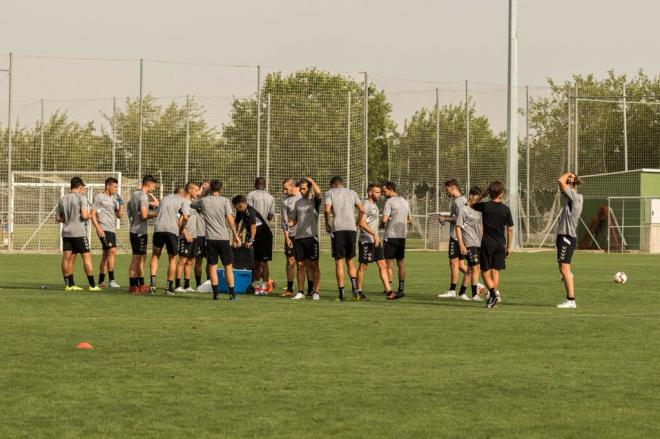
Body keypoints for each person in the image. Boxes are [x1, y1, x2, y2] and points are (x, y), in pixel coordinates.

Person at [191, 179, 241, 300]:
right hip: (223, 238)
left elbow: (192, 204)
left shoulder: (203, 201)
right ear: (221, 189)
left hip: (210, 239)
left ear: (210, 189)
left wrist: (203, 192)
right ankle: (232, 294)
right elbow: (230, 219)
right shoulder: (225, 201)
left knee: (212, 266)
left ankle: (216, 294)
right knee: (228, 266)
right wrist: (236, 235)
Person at [472, 181, 514, 309]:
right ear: (501, 193)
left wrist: (483, 195)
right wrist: (509, 247)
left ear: (490, 193)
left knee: (485, 271)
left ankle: (492, 294)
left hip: (487, 243)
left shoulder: (485, 206)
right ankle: (493, 296)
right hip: (500, 244)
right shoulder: (506, 209)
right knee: (495, 271)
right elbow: (510, 229)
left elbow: (472, 204)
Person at [324, 176, 364, 301]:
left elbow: (326, 209)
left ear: (332, 185)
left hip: (338, 229)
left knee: (339, 262)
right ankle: (355, 291)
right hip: (351, 229)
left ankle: (341, 293)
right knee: (350, 261)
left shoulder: (330, 193)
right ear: (342, 184)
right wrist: (357, 224)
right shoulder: (352, 192)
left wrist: (327, 223)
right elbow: (362, 210)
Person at [56, 176, 100, 292]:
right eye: (83, 188)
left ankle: (68, 285)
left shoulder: (62, 199)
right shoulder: (82, 198)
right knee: (86, 257)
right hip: (79, 233)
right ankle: (92, 285)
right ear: (80, 187)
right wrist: (91, 215)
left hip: (66, 232)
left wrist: (68, 218)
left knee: (67, 258)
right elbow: (85, 216)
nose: (83, 190)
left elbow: (58, 218)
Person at [150, 187, 190, 295]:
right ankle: (168, 288)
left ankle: (152, 285)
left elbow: (157, 212)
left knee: (155, 255)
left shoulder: (164, 199)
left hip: (158, 229)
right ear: (182, 194)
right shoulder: (183, 200)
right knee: (172, 258)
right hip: (172, 231)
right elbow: (185, 217)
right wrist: (181, 229)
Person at [288, 177, 322, 300]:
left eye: (304, 188)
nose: (301, 191)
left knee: (314, 265)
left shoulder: (314, 201)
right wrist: (289, 223)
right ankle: (301, 291)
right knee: (300, 265)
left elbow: (318, 193)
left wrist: (312, 181)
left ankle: (316, 292)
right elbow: (295, 219)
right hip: (299, 238)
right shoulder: (298, 203)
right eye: (300, 189)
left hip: (312, 237)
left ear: (309, 188)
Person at [356, 183, 392, 299]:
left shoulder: (374, 205)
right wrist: (373, 234)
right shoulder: (366, 205)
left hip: (375, 240)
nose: (379, 194)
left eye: (380, 192)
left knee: (383, 264)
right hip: (366, 240)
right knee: (363, 266)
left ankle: (389, 292)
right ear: (370, 192)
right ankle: (359, 292)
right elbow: (361, 223)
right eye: (377, 192)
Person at [233, 194, 273, 295]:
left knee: (263, 262)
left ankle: (265, 285)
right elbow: (237, 222)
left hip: (264, 237)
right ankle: (255, 284)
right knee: (256, 262)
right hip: (256, 236)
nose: (235, 209)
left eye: (235, 206)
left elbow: (253, 226)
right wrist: (237, 235)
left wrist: (251, 240)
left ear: (241, 205)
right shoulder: (241, 211)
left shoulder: (250, 211)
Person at [556, 172, 583, 309]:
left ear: (570, 184)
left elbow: (560, 180)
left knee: (565, 268)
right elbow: (561, 184)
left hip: (567, 236)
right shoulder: (571, 197)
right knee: (562, 267)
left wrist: (568, 174)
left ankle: (571, 300)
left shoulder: (575, 197)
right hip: (563, 236)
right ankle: (568, 276)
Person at [127, 175, 159, 294]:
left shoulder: (135, 195)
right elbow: (144, 215)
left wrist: (150, 195)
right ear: (149, 184)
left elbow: (130, 211)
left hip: (134, 230)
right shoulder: (143, 197)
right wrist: (155, 214)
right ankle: (133, 286)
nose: (154, 188)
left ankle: (140, 284)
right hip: (139, 232)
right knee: (136, 259)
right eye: (154, 186)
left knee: (140, 258)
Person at [438, 179, 469, 298]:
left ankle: (452, 290)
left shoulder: (459, 201)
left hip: (457, 236)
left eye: (447, 189)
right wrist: (446, 217)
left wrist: (445, 219)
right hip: (459, 235)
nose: (446, 192)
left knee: (453, 263)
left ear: (453, 187)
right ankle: (476, 282)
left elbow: (461, 218)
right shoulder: (459, 200)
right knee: (461, 265)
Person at [90, 177, 123, 288]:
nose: (115, 189)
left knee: (106, 255)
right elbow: (92, 214)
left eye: (116, 187)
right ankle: (112, 280)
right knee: (112, 251)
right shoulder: (99, 197)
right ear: (108, 186)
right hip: (104, 229)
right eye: (114, 186)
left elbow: (119, 216)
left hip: (112, 230)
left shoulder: (114, 199)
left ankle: (100, 281)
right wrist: (98, 228)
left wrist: (121, 204)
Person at [455, 187, 486, 301]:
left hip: (478, 242)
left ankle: (461, 294)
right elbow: (458, 228)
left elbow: (481, 226)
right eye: (478, 196)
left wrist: (483, 239)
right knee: (476, 267)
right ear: (472, 195)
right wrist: (461, 245)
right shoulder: (463, 209)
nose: (479, 199)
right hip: (469, 242)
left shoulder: (478, 210)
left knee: (470, 269)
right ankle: (474, 294)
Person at [381, 181, 411, 300]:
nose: (383, 193)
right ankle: (401, 288)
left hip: (391, 235)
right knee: (401, 263)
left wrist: (382, 223)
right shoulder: (405, 201)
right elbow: (409, 219)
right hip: (402, 236)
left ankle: (388, 287)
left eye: (384, 191)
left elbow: (384, 219)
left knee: (389, 263)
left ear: (390, 189)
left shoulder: (389, 202)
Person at [245, 177, 275, 290]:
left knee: (254, 261)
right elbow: (270, 216)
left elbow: (249, 212)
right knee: (264, 261)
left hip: (253, 230)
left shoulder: (251, 195)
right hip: (265, 231)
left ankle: (255, 285)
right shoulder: (270, 197)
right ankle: (266, 286)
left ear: (255, 184)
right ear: (265, 185)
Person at [175, 181, 200, 293]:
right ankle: (177, 285)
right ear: (189, 190)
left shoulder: (194, 203)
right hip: (185, 236)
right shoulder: (183, 203)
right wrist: (185, 232)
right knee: (182, 260)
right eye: (195, 190)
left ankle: (186, 285)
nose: (197, 192)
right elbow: (178, 219)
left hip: (194, 236)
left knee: (191, 261)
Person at [280, 178, 304, 297]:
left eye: (286, 188)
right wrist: (287, 237)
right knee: (290, 261)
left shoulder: (303, 197)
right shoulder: (285, 202)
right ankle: (289, 289)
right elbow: (284, 221)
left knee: (305, 263)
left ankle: (309, 289)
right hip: (291, 235)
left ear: (293, 186)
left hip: (304, 235)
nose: (284, 191)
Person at [194, 180, 210, 288]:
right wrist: (201, 192)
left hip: (211, 235)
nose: (206, 189)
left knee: (211, 260)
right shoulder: (196, 200)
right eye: (203, 187)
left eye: (208, 187)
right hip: (199, 234)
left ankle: (209, 283)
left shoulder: (214, 200)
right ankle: (198, 284)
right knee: (198, 260)